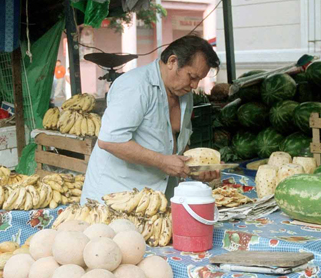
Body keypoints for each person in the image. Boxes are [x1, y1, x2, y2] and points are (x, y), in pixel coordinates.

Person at [81, 35, 221, 203]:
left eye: (199, 79)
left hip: (156, 197)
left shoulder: (185, 95)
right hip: (116, 197)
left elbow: (174, 142)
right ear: (172, 61)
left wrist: (193, 168)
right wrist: (162, 162)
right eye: (192, 77)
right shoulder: (135, 86)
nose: (195, 85)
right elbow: (110, 141)